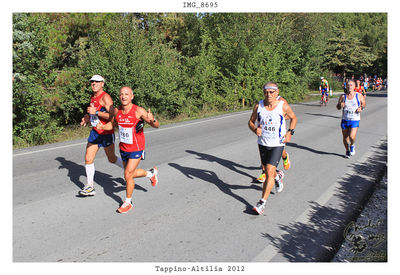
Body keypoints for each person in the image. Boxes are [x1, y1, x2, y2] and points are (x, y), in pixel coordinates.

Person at [96, 86, 160, 213]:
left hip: (136, 148)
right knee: (131, 173)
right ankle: (151, 173)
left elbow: (156, 125)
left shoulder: (138, 111)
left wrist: (152, 119)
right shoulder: (117, 112)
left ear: (132, 96)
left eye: (126, 94)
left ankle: (128, 202)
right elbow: (112, 124)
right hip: (124, 148)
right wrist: (102, 126)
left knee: (127, 175)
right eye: (121, 94)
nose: (123, 96)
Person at [248, 82, 297, 215]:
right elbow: (250, 122)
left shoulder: (283, 105)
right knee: (267, 169)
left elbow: (293, 118)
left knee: (269, 171)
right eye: (266, 92)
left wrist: (289, 132)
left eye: (271, 92)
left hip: (277, 144)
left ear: (277, 92)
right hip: (263, 143)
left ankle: (262, 203)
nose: (268, 95)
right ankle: (277, 177)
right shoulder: (259, 106)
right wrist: (254, 129)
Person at [79, 75, 124, 196]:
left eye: (97, 82)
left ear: (102, 84)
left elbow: (114, 115)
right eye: (92, 82)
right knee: (88, 158)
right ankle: (90, 186)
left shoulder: (105, 97)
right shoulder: (92, 97)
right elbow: (94, 114)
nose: (94, 83)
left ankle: (129, 170)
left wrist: (97, 112)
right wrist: (87, 118)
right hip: (95, 132)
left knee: (112, 159)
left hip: (106, 132)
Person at [256, 93, 291, 183]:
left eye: (271, 91)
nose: (269, 94)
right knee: (264, 150)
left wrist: (277, 117)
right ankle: (264, 172)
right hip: (266, 133)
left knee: (278, 150)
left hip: (278, 133)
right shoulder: (264, 102)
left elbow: (288, 115)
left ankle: (285, 156)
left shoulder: (282, 101)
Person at [336, 80, 366, 158]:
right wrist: (340, 104)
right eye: (348, 85)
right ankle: (347, 150)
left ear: (354, 86)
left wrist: (361, 107)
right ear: (346, 86)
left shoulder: (358, 95)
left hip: (355, 119)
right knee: (345, 138)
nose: (349, 87)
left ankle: (352, 145)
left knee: (352, 136)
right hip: (345, 119)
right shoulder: (343, 96)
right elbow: (338, 107)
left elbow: (364, 103)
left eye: (351, 85)